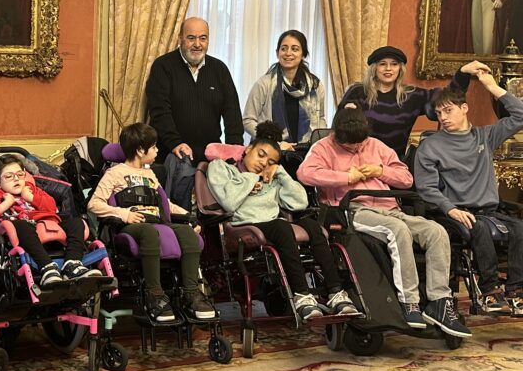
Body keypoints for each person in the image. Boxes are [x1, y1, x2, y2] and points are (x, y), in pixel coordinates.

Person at [298, 108, 470, 338]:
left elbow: (406, 179)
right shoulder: (323, 147)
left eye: (360, 143)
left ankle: (439, 302)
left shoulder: (376, 145)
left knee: (436, 231)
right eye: (350, 145)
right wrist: (346, 177)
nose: (356, 148)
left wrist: (380, 171)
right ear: (336, 136)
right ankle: (409, 302)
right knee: (397, 230)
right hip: (354, 210)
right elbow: (305, 173)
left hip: (389, 207)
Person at [206, 125, 359, 322]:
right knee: (282, 227)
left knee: (312, 226)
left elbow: (299, 203)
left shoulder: (271, 176)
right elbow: (229, 202)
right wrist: (251, 179)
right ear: (248, 149)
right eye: (261, 155)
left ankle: (336, 292)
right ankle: (302, 295)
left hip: (274, 226)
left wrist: (280, 173)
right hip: (243, 226)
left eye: (270, 162)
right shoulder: (221, 167)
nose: (264, 163)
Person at [414, 69, 523, 316]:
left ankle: (516, 291)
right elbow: (426, 187)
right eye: (439, 113)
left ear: (464, 108)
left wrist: (491, 86)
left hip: (488, 210)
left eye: (448, 110)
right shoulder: (430, 146)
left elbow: (520, 115)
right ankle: (489, 291)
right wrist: (451, 209)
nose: (443, 117)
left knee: (520, 228)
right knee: (478, 227)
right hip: (453, 211)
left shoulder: (485, 136)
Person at [88, 123, 213, 323]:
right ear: (140, 150)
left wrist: (189, 217)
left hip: (157, 222)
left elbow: (166, 204)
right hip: (132, 226)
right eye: (153, 147)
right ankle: (154, 294)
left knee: (187, 233)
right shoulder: (114, 173)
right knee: (148, 232)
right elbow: (94, 204)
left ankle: (191, 293)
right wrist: (124, 214)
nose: (157, 151)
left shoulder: (150, 174)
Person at [337, 45, 484, 157]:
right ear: (374, 68)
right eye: (382, 64)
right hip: (358, 161)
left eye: (394, 64)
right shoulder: (357, 92)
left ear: (400, 69)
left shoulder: (412, 95)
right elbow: (339, 128)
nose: (388, 68)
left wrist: (463, 73)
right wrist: (346, 114)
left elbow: (449, 98)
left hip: (394, 165)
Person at [0, 154, 100, 286]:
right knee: (21, 225)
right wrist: (6, 204)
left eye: (20, 175)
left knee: (76, 223)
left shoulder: (32, 190)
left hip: (48, 225)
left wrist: (31, 198)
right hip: (22, 230)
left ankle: (72, 264)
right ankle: (47, 267)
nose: (16, 179)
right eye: (9, 176)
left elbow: (52, 206)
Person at [145, 16, 243, 165]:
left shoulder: (220, 69)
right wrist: (175, 143)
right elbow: (159, 111)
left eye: (203, 38)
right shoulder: (163, 66)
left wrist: (233, 152)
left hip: (210, 160)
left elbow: (233, 115)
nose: (197, 44)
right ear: (180, 39)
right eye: (191, 38)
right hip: (170, 156)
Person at [242, 30, 327, 150]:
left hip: (306, 151)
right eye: (283, 49)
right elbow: (248, 120)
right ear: (277, 53)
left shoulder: (315, 86)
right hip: (271, 151)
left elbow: (321, 118)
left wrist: (317, 143)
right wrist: (271, 141)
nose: (288, 53)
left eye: (295, 49)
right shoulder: (264, 84)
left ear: (303, 54)